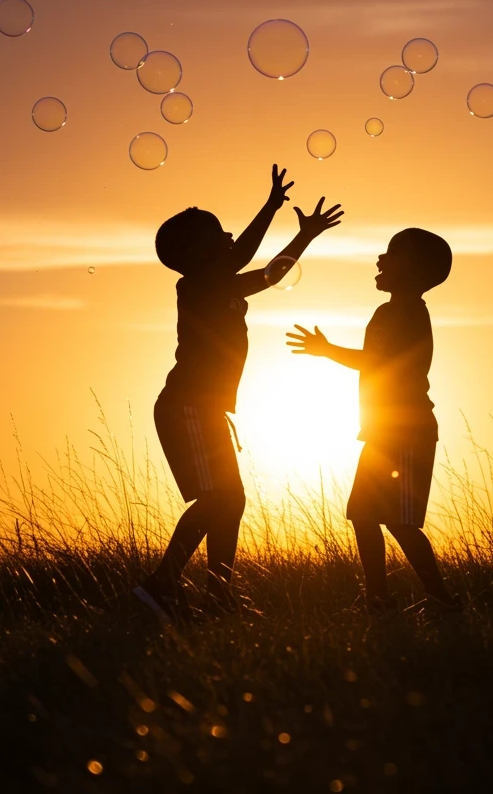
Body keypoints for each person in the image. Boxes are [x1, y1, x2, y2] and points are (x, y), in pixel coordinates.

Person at [133, 167, 343, 621]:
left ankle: (217, 595)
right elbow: (248, 258)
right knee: (218, 499)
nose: (228, 235)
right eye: (216, 233)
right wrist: (270, 207)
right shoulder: (198, 284)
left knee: (231, 499)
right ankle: (161, 585)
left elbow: (270, 274)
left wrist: (304, 235)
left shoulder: (221, 283)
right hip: (187, 405)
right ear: (192, 254)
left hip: (205, 408)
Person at [287, 228, 459, 615]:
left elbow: (379, 361)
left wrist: (327, 350)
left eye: (391, 254)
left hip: (405, 431)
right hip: (387, 430)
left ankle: (441, 600)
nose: (380, 260)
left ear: (414, 270)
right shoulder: (396, 311)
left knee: (398, 523)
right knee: (364, 515)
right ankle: (378, 600)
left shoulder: (405, 312)